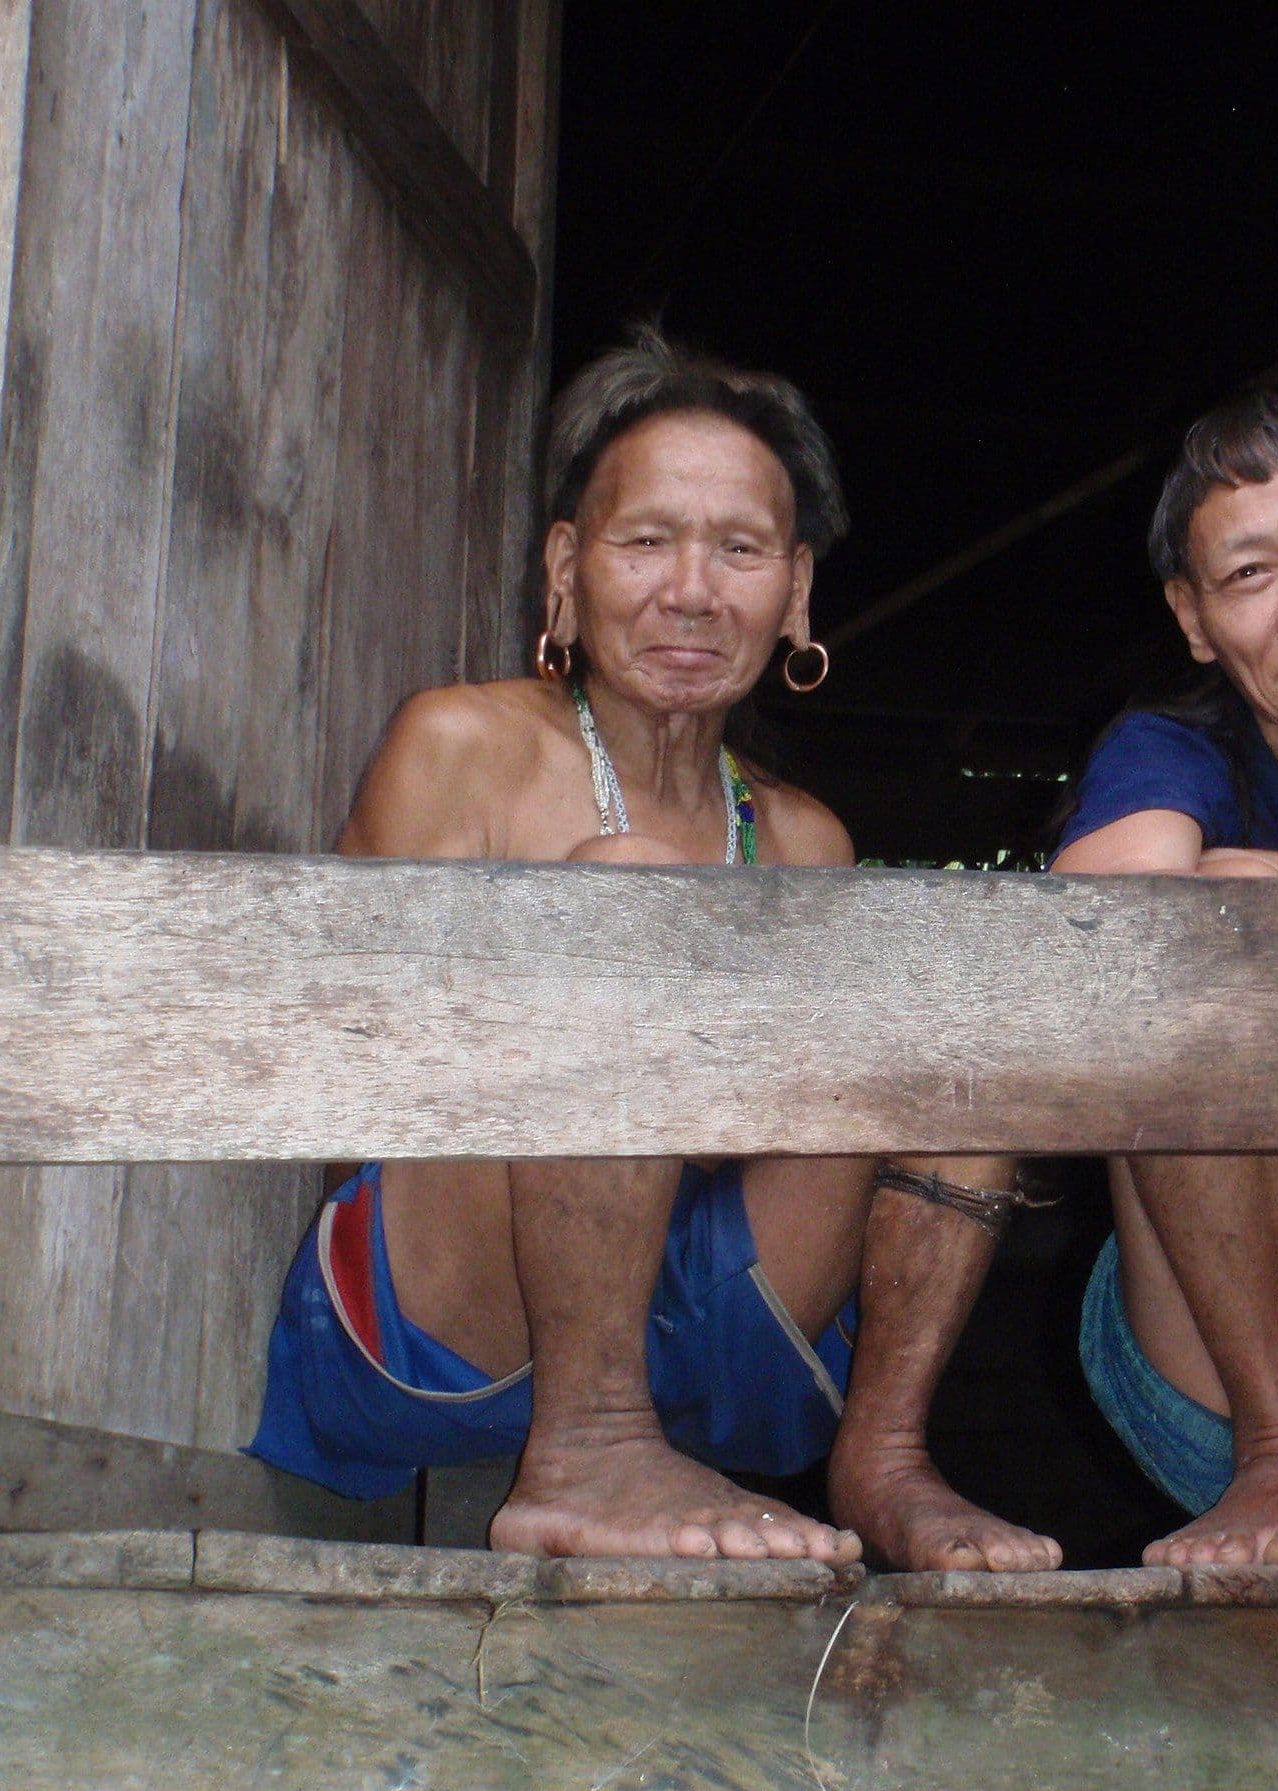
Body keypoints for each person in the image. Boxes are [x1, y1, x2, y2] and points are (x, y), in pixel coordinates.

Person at [249, 327, 1058, 1570]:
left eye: (737, 549)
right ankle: (585, 1450)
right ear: (567, 570)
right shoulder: (462, 743)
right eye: (645, 541)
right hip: (452, 1308)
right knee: (624, 902)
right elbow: (383, 1067)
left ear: (792, 593)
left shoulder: (802, 837)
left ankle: (885, 1461)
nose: (691, 588)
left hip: (709, 1320)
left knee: (947, 1010)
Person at [879, 391, 1278, 1569]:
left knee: (1255, 909)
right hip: (1273, 1372)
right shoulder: (1176, 746)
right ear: (1192, 618)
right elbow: (1096, 944)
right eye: (1248, 575)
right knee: (1211, 922)